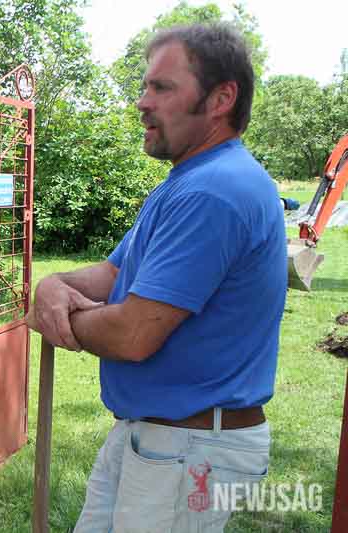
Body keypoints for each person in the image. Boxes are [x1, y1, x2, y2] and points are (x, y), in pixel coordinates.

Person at [27, 24, 287, 532]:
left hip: (188, 449)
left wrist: (61, 318)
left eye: (162, 88)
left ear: (222, 98)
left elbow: (134, 334)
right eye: (145, 86)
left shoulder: (214, 191)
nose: (142, 102)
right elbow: (113, 273)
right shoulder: (188, 182)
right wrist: (54, 286)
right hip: (157, 436)